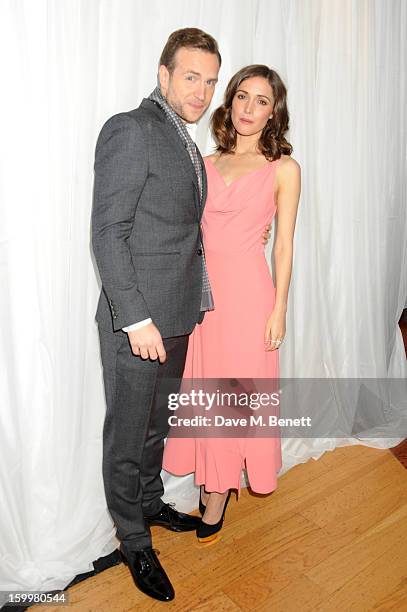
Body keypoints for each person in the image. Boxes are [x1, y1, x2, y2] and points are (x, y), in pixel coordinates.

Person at [91, 28, 222, 603]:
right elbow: (109, 233)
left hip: (177, 313)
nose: (202, 91)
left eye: (211, 81)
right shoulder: (132, 128)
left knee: (155, 425)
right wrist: (135, 317)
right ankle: (133, 540)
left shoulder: (184, 139)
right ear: (164, 74)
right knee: (126, 433)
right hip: (137, 321)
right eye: (191, 77)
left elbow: (178, 226)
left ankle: (148, 502)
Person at [162, 64, 301, 544]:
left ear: (273, 112)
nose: (248, 108)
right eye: (243, 96)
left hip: (249, 297)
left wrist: (280, 308)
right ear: (231, 101)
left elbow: (282, 245)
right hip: (203, 297)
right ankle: (212, 476)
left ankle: (218, 492)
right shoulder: (203, 161)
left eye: (261, 101)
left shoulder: (284, 169)